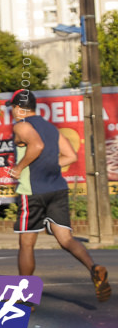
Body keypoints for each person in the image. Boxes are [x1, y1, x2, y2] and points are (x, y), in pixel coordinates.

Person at [8, 89, 110, 303]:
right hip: (57, 188)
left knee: (26, 244)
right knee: (65, 239)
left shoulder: (21, 125)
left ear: (18, 108)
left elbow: (37, 145)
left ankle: (25, 297)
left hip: (32, 192)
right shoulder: (51, 128)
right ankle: (94, 268)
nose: (12, 112)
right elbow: (70, 155)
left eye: (13, 108)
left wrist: (20, 167)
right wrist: (48, 166)